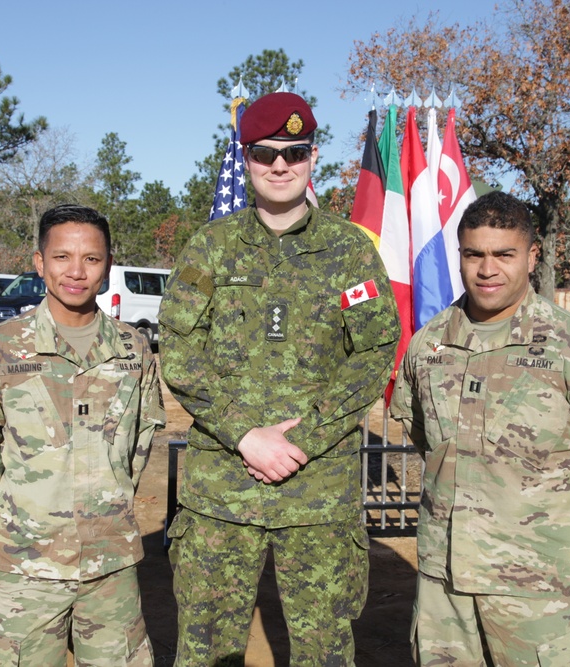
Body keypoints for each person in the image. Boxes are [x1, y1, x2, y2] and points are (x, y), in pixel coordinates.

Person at [158, 92, 399, 666]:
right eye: (266, 152)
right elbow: (179, 348)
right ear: (246, 158)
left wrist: (302, 440)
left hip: (317, 495)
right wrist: (245, 433)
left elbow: (375, 350)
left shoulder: (349, 252)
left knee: (324, 654)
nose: (280, 165)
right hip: (223, 493)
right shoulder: (211, 249)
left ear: (313, 157)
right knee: (206, 650)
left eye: (295, 152)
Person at [391, 191, 570, 666]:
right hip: (444, 586)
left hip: (540, 589)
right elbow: (423, 437)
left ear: (532, 257)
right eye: (474, 254)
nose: (487, 269)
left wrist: (555, 526)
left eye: (504, 254)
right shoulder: (429, 345)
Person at [0, 204, 166, 666]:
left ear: (107, 265)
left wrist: (106, 498)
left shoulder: (132, 349)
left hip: (110, 564)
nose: (76, 272)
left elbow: (139, 443)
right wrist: (24, 514)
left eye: (92, 259)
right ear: (40, 262)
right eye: (61, 257)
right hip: (28, 566)